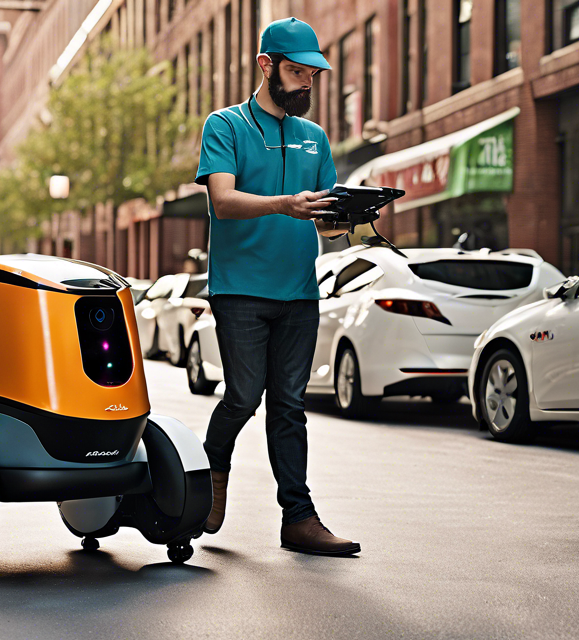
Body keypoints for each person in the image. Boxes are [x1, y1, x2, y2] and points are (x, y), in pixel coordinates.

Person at [194, 17, 360, 556]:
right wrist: (283, 204)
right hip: (240, 288)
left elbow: (324, 222)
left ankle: (299, 517)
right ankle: (208, 472)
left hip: (298, 293)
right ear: (266, 66)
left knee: (289, 405)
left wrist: (356, 214)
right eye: (297, 72)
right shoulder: (225, 126)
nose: (307, 84)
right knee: (243, 396)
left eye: (313, 74)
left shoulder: (315, 138)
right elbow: (223, 200)